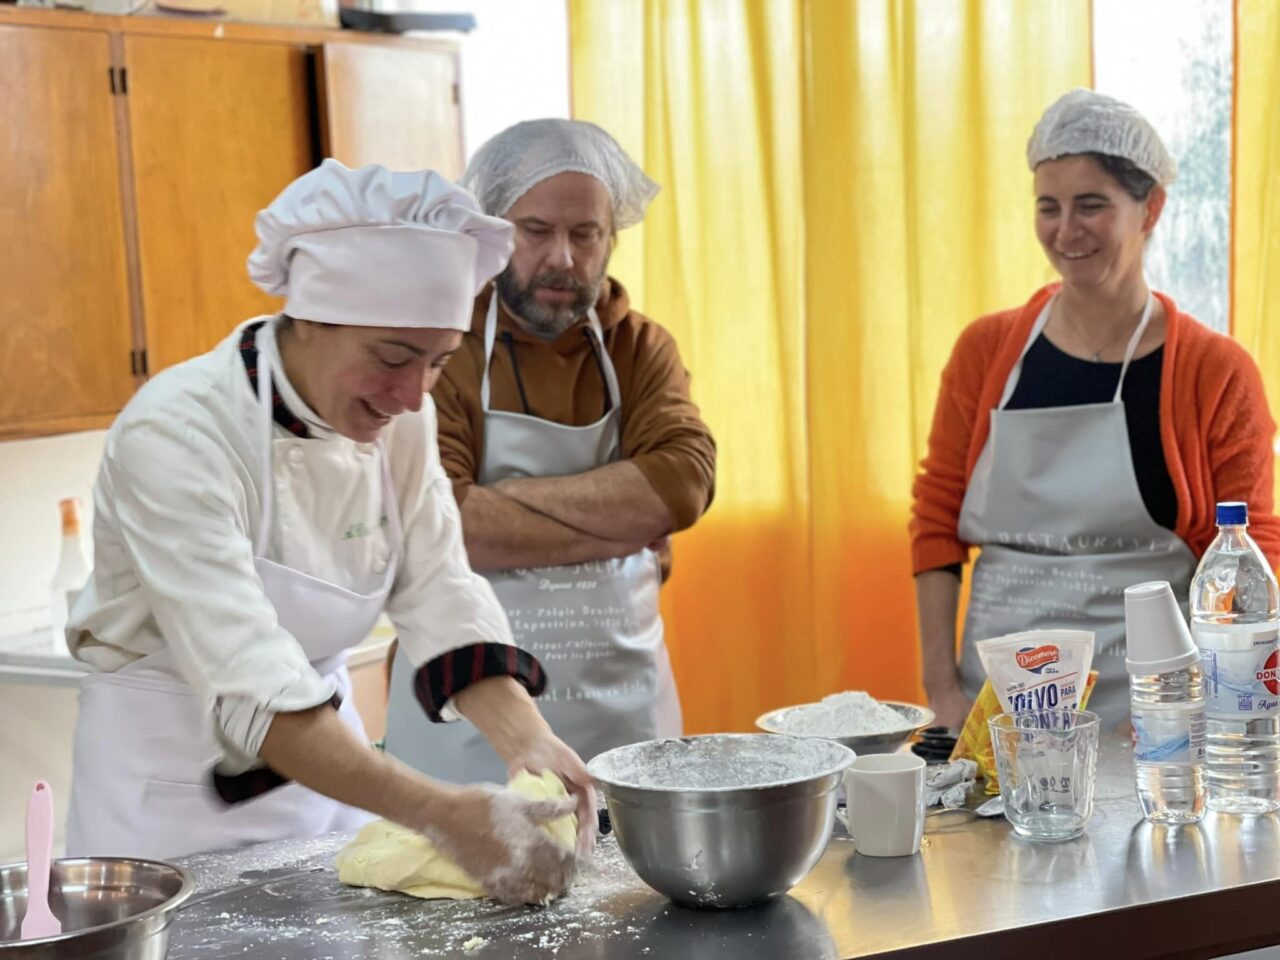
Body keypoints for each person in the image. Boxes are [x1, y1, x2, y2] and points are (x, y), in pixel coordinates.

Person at [63, 160, 593, 905]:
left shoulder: (399, 418)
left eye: (438, 363)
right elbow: (250, 676)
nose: (412, 396)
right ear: (309, 319)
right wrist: (442, 814)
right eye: (392, 357)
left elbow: (438, 583)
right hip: (163, 802)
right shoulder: (178, 432)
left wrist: (527, 737)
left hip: (329, 779)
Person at [911, 89, 1280, 731]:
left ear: (1150, 208)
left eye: (1091, 205)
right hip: (996, 710)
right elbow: (936, 519)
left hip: (1157, 711)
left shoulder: (1215, 371)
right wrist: (941, 689)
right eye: (1048, 207)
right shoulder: (985, 351)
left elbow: (1252, 549)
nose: (1065, 231)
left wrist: (1214, 702)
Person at [384, 120, 716, 782]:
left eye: (585, 233)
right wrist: (622, 521)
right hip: (467, 724)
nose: (562, 257)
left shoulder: (640, 348)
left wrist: (497, 506)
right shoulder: (442, 347)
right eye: (534, 231)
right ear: (489, 230)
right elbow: (443, 523)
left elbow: (683, 485)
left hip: (625, 715)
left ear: (612, 236)